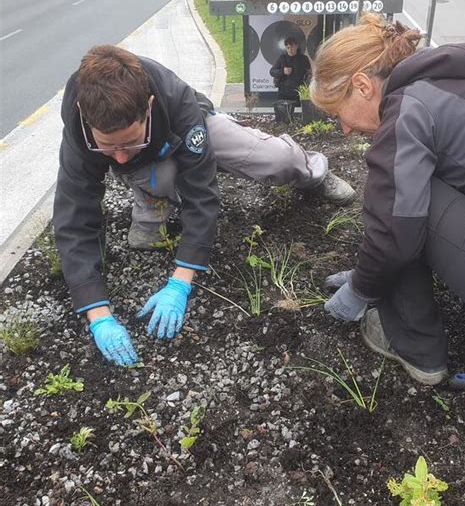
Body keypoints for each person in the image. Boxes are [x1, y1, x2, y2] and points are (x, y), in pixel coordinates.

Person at [54, 44, 355, 367]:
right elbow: (75, 216)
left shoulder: (173, 97)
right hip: (152, 165)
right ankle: (151, 199)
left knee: (277, 160)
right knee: (160, 177)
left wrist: (180, 282)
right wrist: (97, 313)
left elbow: (202, 194)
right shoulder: (80, 122)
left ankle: (312, 171)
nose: (120, 156)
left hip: (190, 127)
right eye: (108, 146)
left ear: (148, 108)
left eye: (129, 141)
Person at [310, 13, 465, 386]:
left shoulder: (409, 108)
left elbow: (396, 231)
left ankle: (416, 347)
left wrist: (362, 288)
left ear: (364, 86)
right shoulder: (448, 77)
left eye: (339, 113)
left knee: (398, 205)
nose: (345, 129)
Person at [270, 36, 311, 103]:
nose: (290, 50)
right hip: (284, 93)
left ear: (296, 46)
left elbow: (309, 74)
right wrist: (283, 71)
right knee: (284, 111)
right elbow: (272, 72)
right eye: (288, 48)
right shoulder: (282, 58)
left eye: (292, 47)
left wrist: (306, 87)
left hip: (299, 93)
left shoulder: (303, 59)